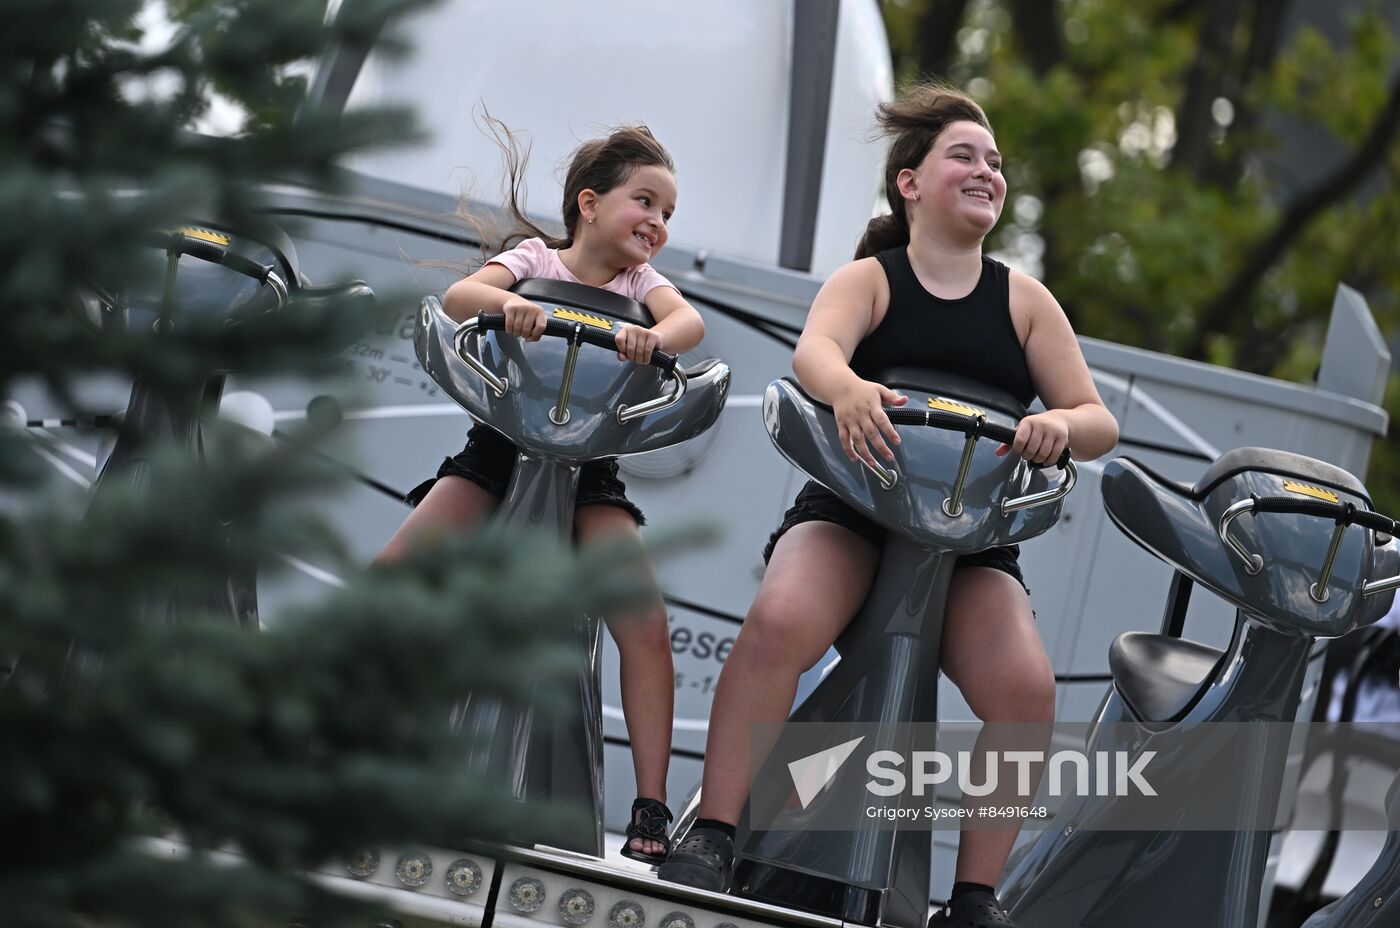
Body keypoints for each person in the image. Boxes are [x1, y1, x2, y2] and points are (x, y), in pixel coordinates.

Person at [658, 82, 1119, 928]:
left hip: (972, 543)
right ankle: (714, 836)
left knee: (1027, 691)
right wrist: (850, 391)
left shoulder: (1025, 302)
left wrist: (1057, 422)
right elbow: (816, 354)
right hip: (853, 512)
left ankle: (974, 900)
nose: (987, 171)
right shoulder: (871, 279)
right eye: (965, 156)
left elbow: (1099, 421)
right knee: (780, 622)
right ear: (910, 182)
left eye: (995, 163)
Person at [376, 121, 705, 865]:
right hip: (500, 454)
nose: (656, 222)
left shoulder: (639, 287)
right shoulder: (532, 258)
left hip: (587, 472)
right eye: (644, 201)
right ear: (589, 203)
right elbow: (463, 296)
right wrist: (511, 304)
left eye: (668, 214)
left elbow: (689, 322)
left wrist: (654, 338)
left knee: (645, 624)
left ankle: (649, 803)